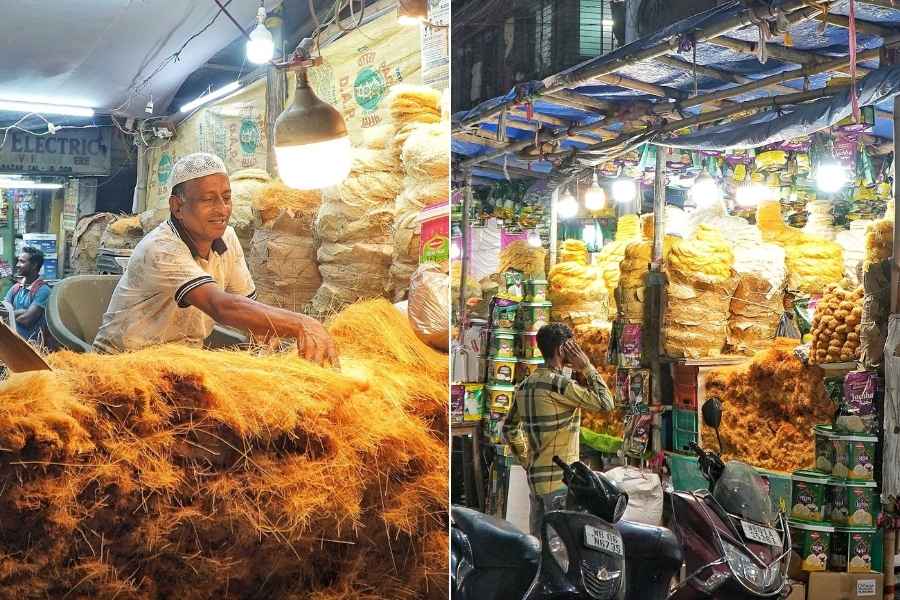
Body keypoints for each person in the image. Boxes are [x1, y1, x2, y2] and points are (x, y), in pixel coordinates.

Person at [93, 152, 338, 365]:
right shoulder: (162, 248)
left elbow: (246, 307)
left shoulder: (228, 238)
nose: (222, 209)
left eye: (227, 197)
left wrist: (267, 341)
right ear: (177, 207)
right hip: (124, 364)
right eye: (208, 200)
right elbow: (221, 307)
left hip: (182, 364)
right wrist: (301, 323)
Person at [503, 322, 614, 536]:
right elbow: (606, 402)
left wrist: (528, 461)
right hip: (560, 484)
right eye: (571, 347)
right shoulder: (560, 385)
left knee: (541, 549)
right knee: (563, 553)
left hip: (536, 483)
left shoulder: (525, 386)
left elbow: (509, 429)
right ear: (562, 349)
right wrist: (586, 366)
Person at [4, 246, 50, 343]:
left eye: (22, 262)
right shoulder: (16, 288)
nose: (17, 265)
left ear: (34, 265)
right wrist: (22, 311)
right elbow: (2, 314)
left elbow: (26, 320)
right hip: (11, 342)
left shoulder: (43, 290)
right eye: (18, 261)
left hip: (30, 348)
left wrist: (11, 314)